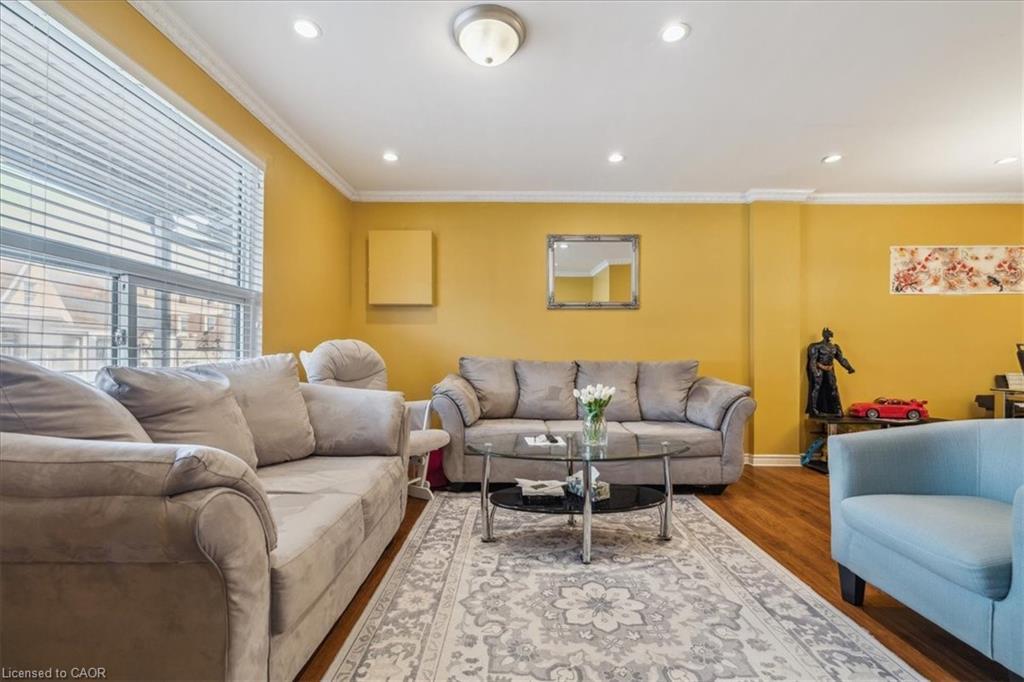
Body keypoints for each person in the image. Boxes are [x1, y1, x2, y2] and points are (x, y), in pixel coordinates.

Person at [806, 327, 855, 416]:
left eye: (830, 335)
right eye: (828, 334)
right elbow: (813, 361)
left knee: (833, 388)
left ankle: (837, 409)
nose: (829, 336)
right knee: (816, 388)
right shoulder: (816, 347)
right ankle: (814, 409)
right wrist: (815, 371)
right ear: (824, 335)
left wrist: (849, 368)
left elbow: (841, 359)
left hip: (829, 369)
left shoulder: (834, 347)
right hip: (820, 368)